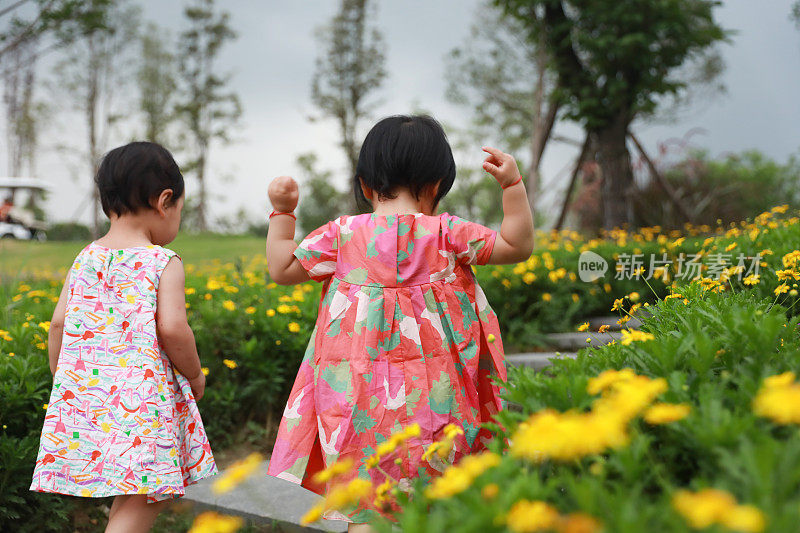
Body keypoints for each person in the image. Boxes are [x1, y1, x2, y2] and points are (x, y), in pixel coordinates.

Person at [266, 115, 534, 530]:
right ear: (436, 187)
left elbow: (282, 268)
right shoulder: (446, 234)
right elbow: (516, 245)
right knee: (436, 496)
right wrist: (513, 188)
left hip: (356, 401)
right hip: (438, 398)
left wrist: (283, 212)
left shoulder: (342, 235)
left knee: (366, 503)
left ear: (366, 186)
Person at [30, 142, 216, 533]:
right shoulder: (162, 262)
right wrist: (195, 373)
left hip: (86, 398)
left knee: (129, 494)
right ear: (164, 200)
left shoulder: (85, 257)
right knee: (148, 494)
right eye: (179, 210)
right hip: (143, 408)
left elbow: (59, 323)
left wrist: (64, 384)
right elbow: (172, 328)